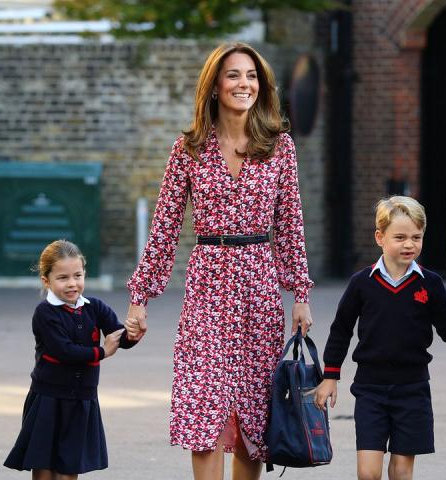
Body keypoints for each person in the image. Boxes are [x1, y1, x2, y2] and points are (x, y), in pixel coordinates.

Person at [123, 42, 315, 480]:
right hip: (207, 283)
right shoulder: (188, 148)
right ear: (214, 85)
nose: (243, 83)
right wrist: (141, 297)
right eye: (233, 75)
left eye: (251, 76)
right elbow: (165, 228)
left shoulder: (279, 147)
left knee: (252, 411)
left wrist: (300, 295)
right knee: (203, 408)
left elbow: (291, 226)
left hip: (258, 285)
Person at [314, 196, 446, 480]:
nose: (409, 244)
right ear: (380, 237)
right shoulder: (361, 283)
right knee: (368, 473)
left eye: (417, 237)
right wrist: (330, 376)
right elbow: (341, 329)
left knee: (402, 471)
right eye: (400, 237)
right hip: (370, 389)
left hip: (413, 389)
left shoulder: (429, 283)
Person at [4, 239, 135, 479]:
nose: (72, 283)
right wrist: (102, 352)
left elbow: (119, 336)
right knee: (44, 466)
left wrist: (133, 333)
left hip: (82, 399)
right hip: (48, 398)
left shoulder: (95, 307)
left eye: (77, 275)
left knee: (69, 468)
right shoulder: (45, 313)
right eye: (63, 278)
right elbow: (65, 351)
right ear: (46, 281)